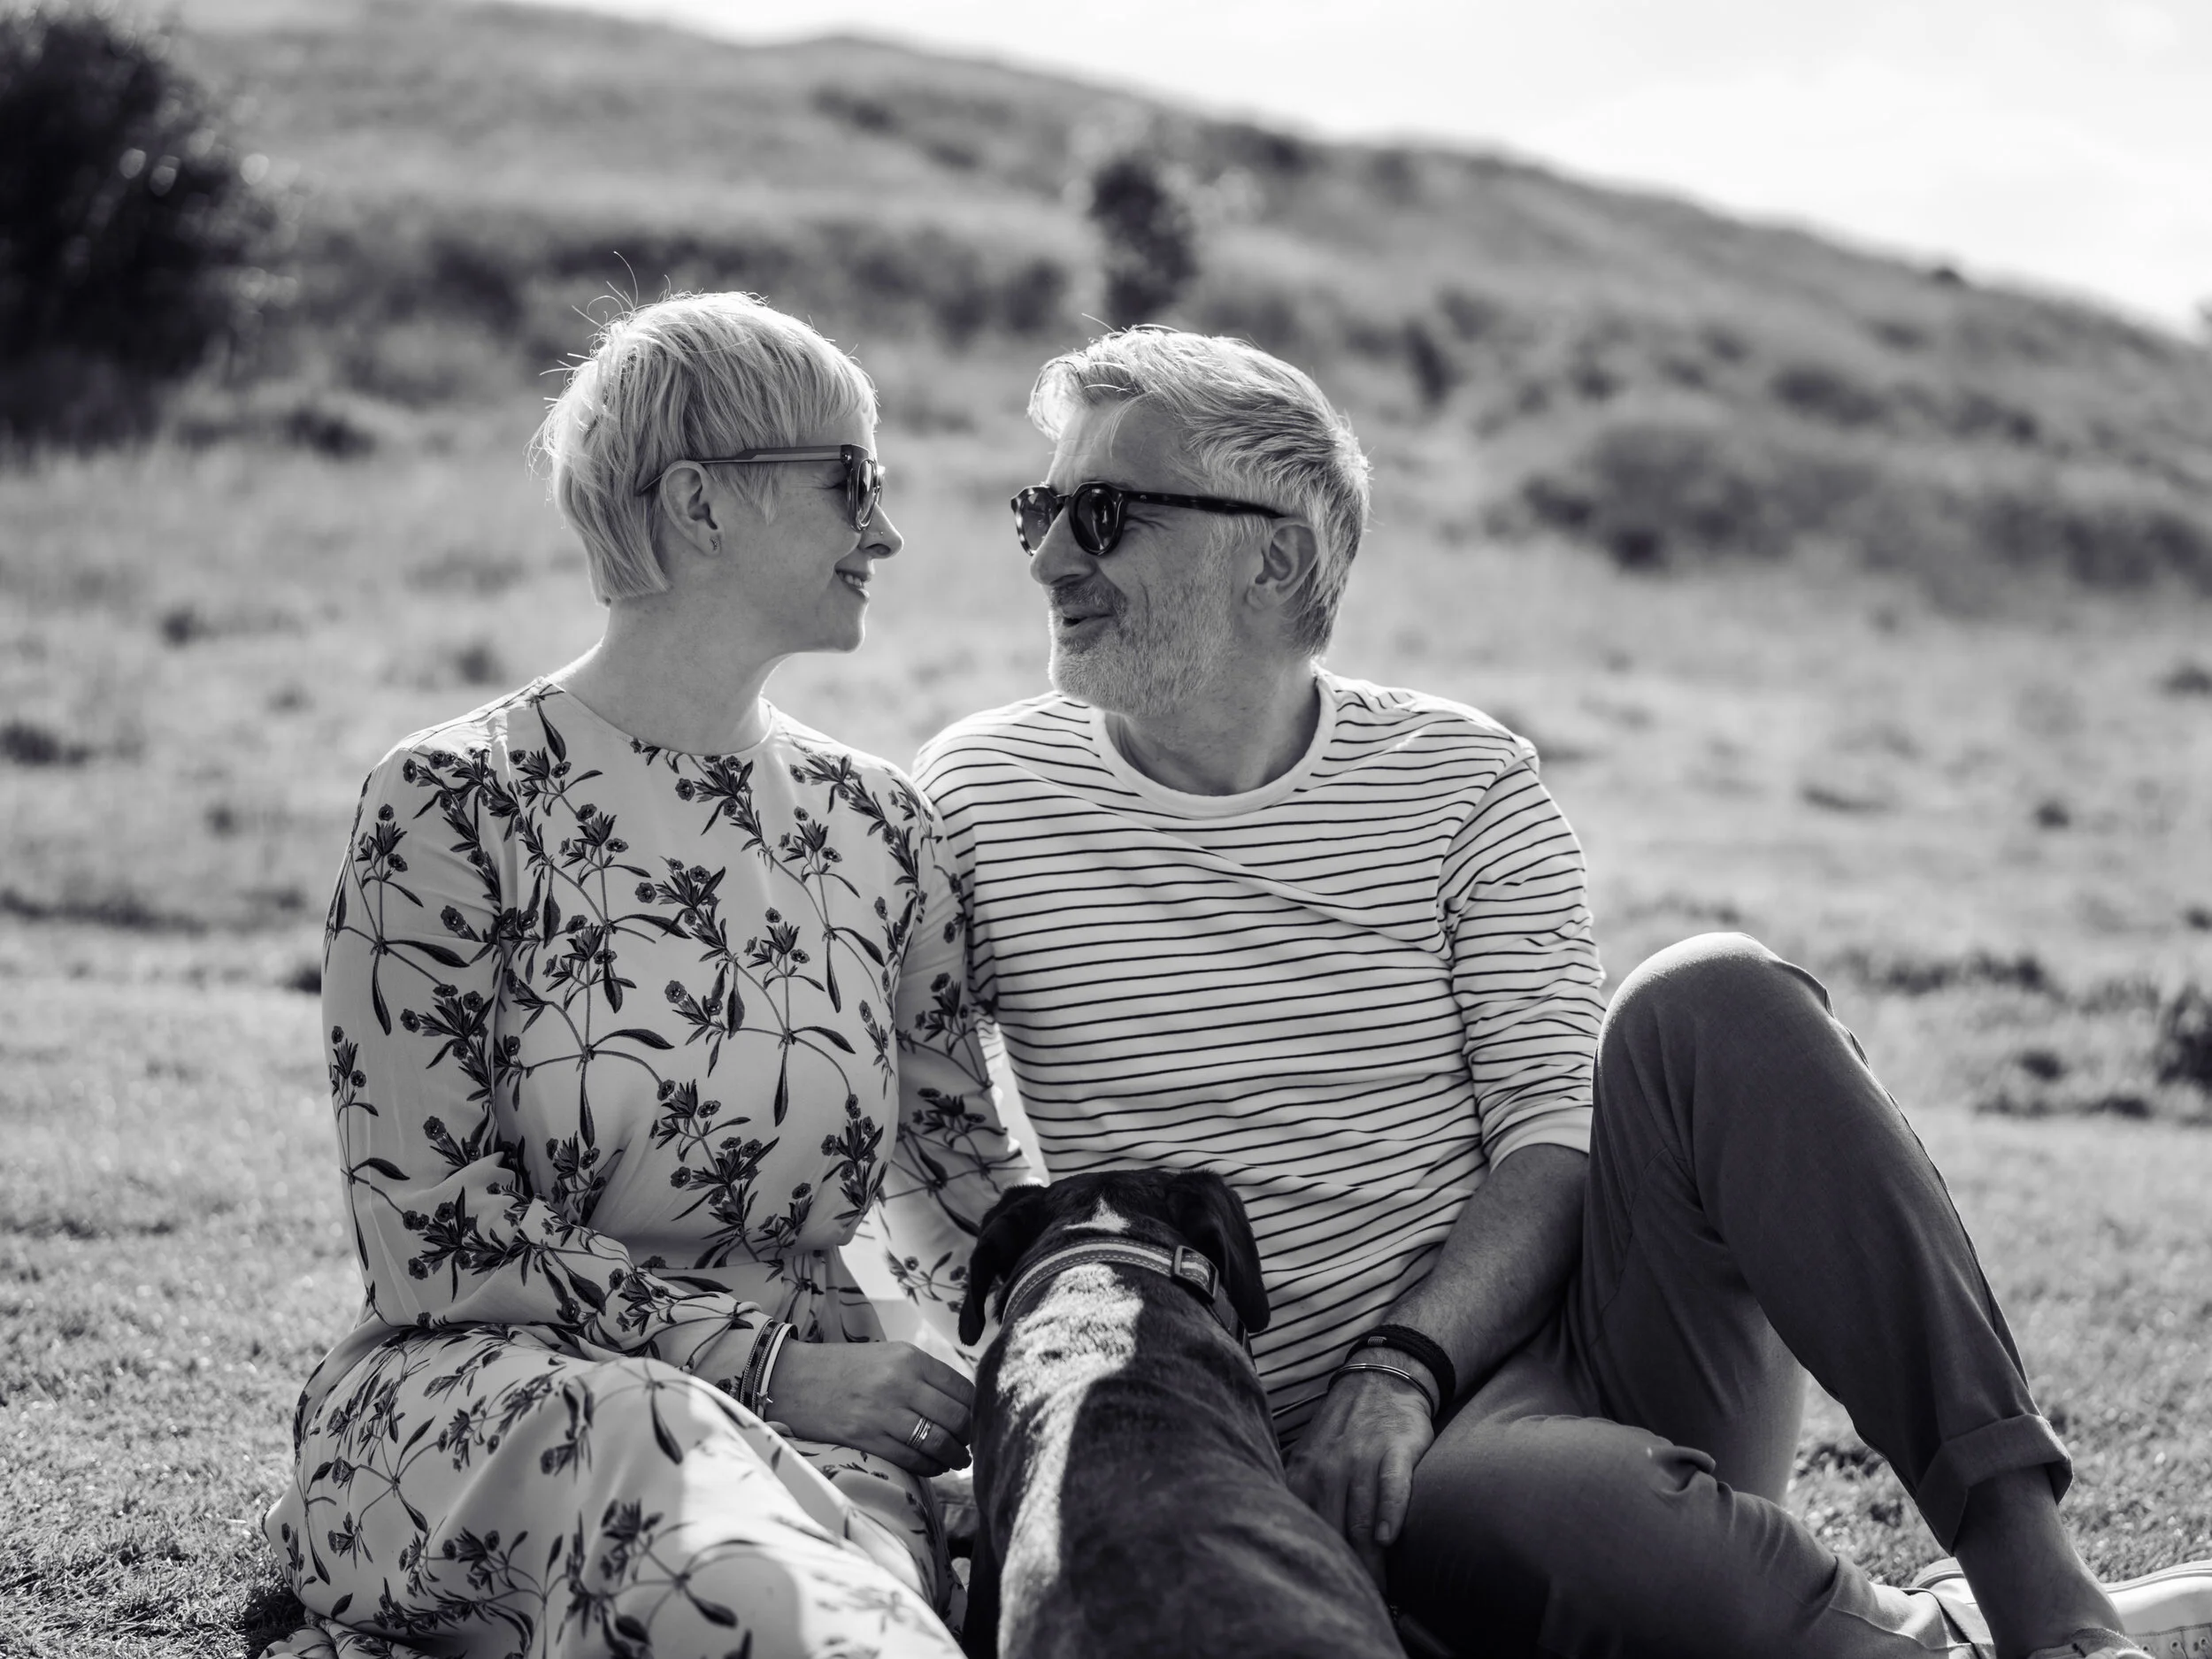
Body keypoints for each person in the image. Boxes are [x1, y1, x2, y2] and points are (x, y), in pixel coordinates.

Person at [912, 325, 2208, 1659]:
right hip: (1241, 1455)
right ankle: (1914, 1638)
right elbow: (927, 1137)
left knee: (1715, 996)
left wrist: (1403, 1368)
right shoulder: (977, 800)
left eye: (1102, 512)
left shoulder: (1463, 780)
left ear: (1276, 558)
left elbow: (1552, 1136)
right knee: (1527, 1506)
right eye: (1038, 509)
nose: (1048, 557)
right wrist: (1018, 1408)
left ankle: (2051, 1606)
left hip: (1552, 1365)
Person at [261, 293, 1025, 1659]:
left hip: (821, 1433)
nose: (887, 531)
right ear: (701, 502)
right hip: (486, 1410)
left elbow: (961, 1190)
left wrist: (1105, 1329)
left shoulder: (883, 825)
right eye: (853, 480)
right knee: (649, 1436)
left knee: (808, 1584)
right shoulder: (448, 803)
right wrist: (769, 1365)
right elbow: (433, 1235)